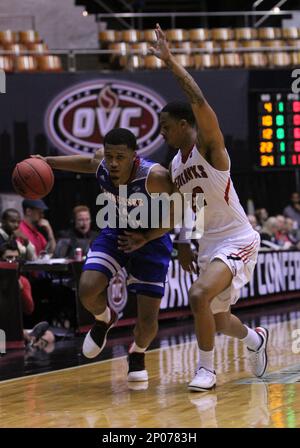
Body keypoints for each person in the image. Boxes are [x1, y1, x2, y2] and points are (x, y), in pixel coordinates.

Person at [123, 24, 268, 391]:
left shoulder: (209, 147)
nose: (162, 134)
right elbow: (178, 211)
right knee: (218, 320)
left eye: (166, 127)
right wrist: (159, 239)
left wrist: (171, 62)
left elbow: (199, 100)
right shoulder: (174, 166)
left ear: (184, 124)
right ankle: (255, 339)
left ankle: (206, 370)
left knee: (198, 296)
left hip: (238, 237)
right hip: (209, 244)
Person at [31, 128, 174, 382]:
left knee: (147, 322)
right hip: (117, 231)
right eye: (109, 156)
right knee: (86, 289)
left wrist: (147, 237)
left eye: (120, 157)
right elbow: (87, 162)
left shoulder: (156, 176)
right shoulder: (103, 164)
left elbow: (179, 213)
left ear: (134, 156)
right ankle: (104, 319)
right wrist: (48, 162)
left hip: (152, 239)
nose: (114, 163)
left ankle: (137, 353)